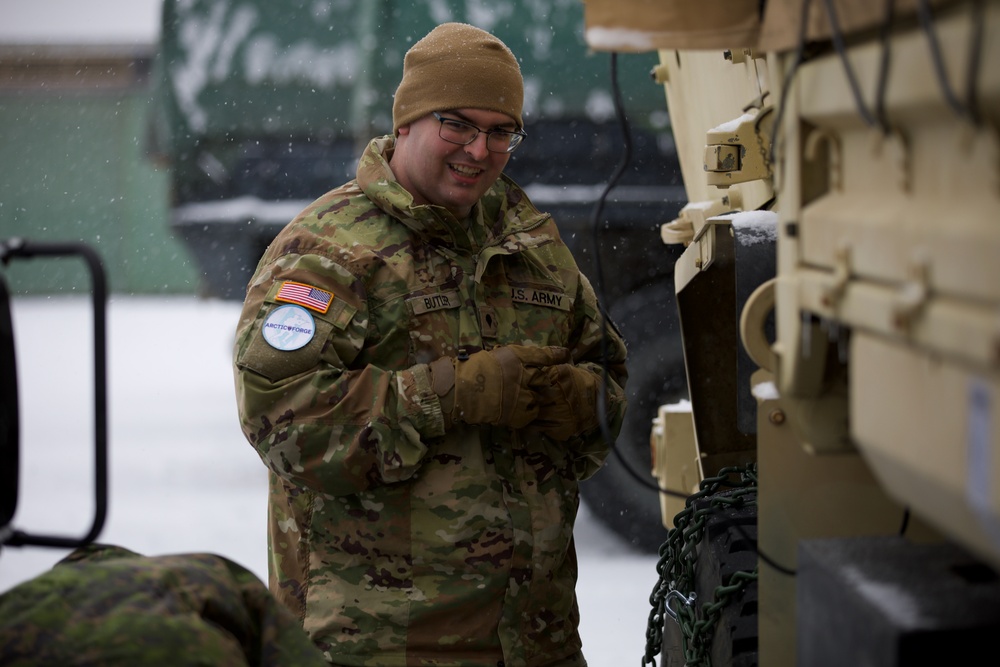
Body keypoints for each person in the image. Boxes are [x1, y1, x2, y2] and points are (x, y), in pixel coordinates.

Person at [232, 22, 628, 667]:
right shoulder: (328, 250)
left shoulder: (532, 245)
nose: (480, 149)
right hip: (379, 642)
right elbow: (285, 424)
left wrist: (582, 402)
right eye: (457, 124)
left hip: (536, 640)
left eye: (502, 131)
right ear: (407, 122)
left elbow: (609, 386)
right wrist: (451, 394)